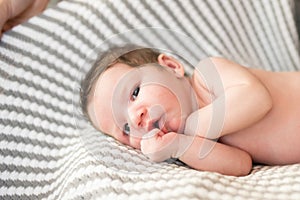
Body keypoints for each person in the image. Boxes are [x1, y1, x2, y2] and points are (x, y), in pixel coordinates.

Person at [80, 45, 300, 176]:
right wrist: (179, 146)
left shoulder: (207, 76)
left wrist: (193, 125)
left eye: (135, 93)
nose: (135, 118)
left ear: (171, 66)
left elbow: (257, 99)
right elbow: (241, 165)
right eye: (125, 128)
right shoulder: (190, 142)